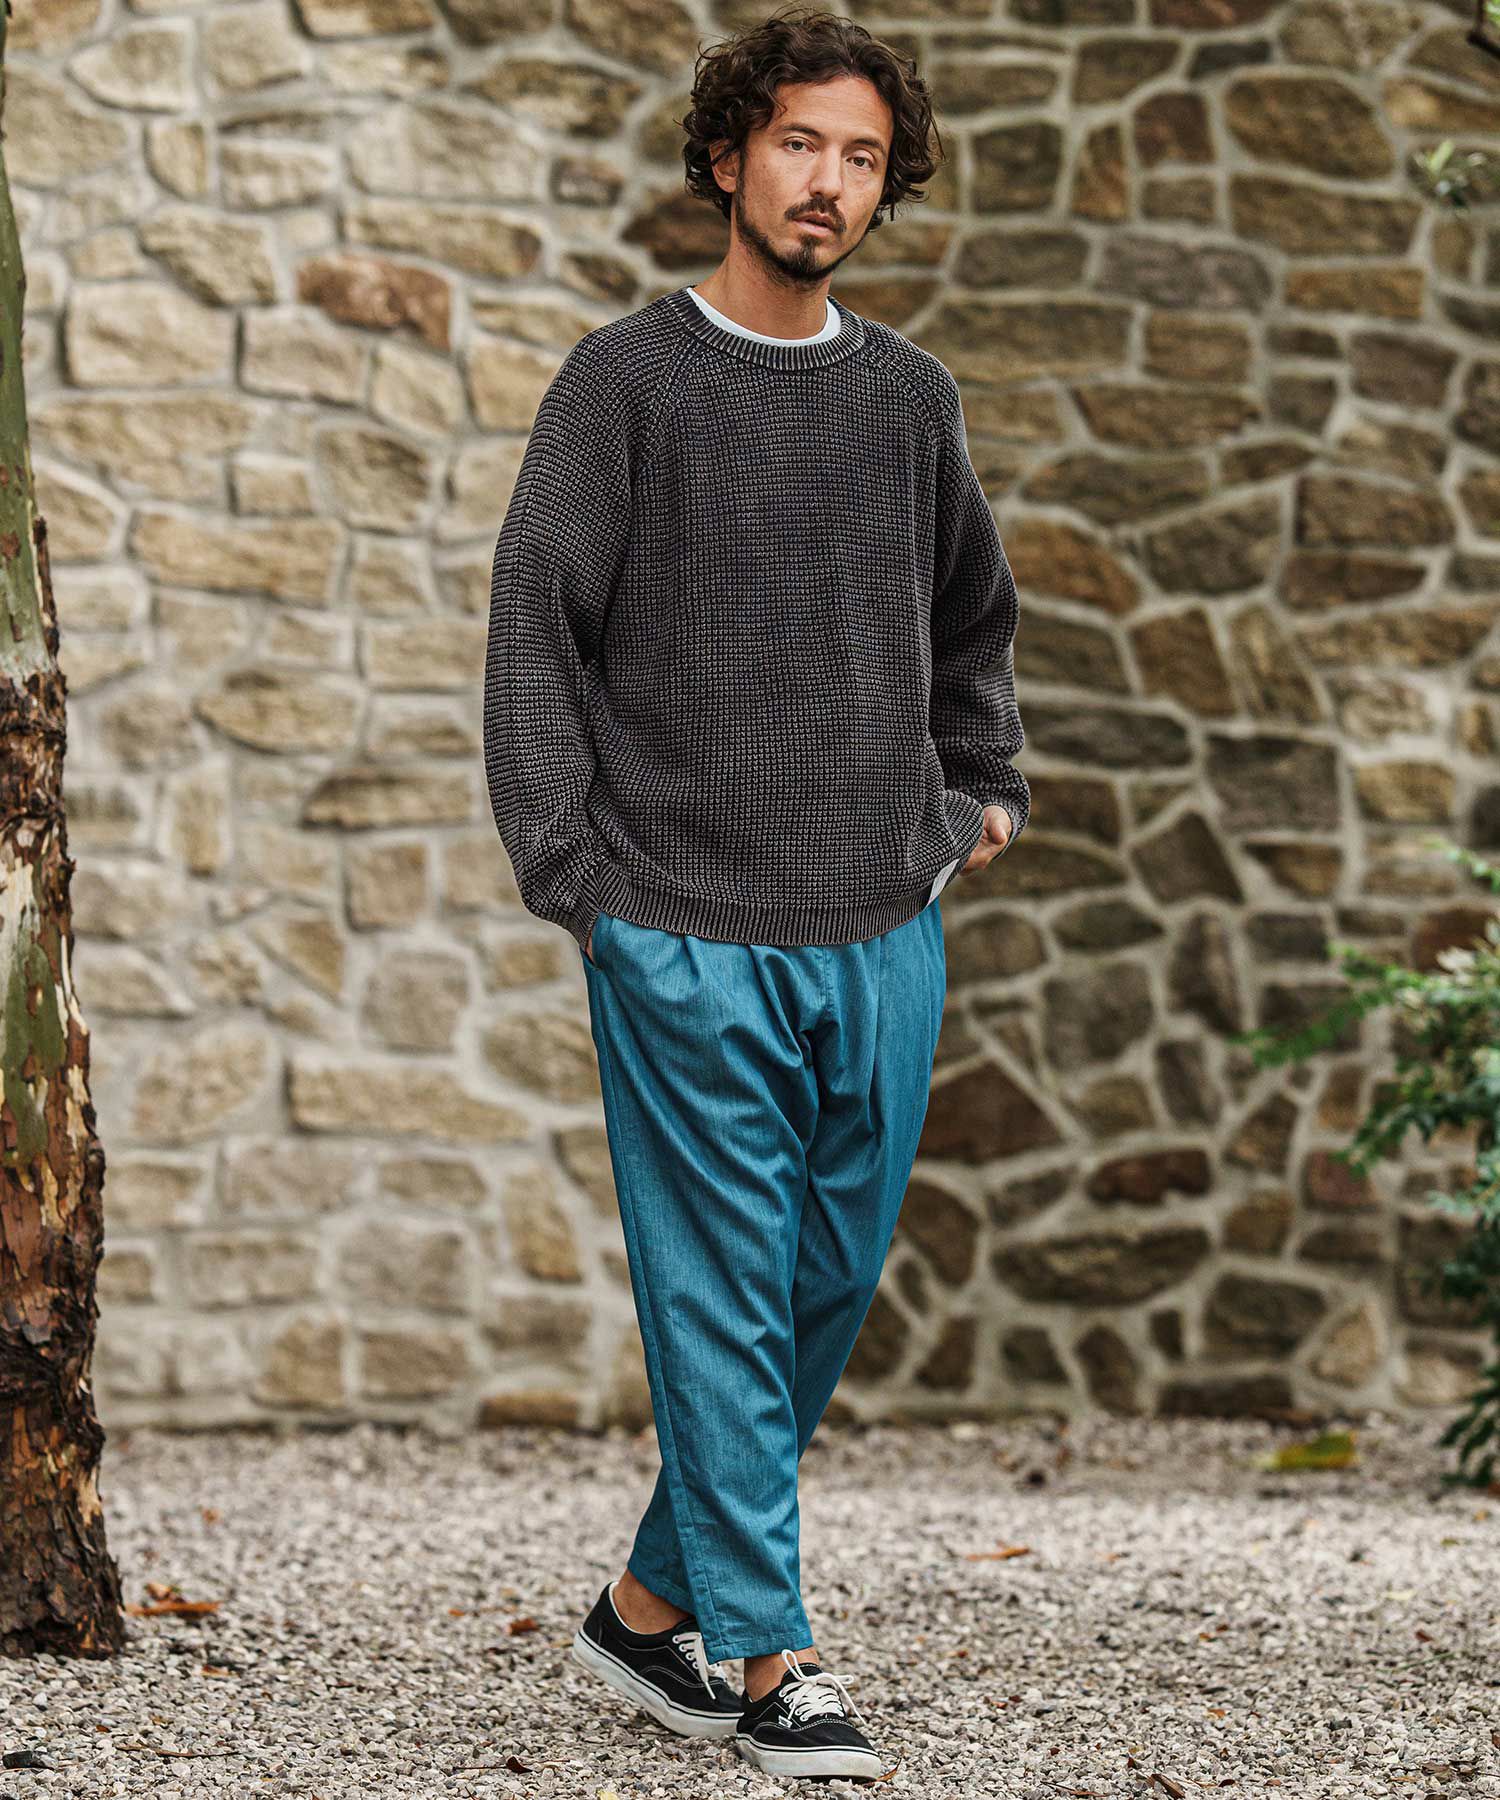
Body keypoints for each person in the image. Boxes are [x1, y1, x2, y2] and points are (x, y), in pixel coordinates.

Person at [483, 7, 1028, 1781]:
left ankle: (646, 1611)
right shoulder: (624, 384)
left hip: (880, 917)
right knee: (722, 1289)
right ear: (729, 156)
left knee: (819, 1289)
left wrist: (977, 793)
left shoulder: (909, 400)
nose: (829, 184)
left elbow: (974, 622)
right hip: (680, 919)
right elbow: (532, 629)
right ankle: (772, 1658)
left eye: (862, 157)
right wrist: (577, 876)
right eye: (800, 143)